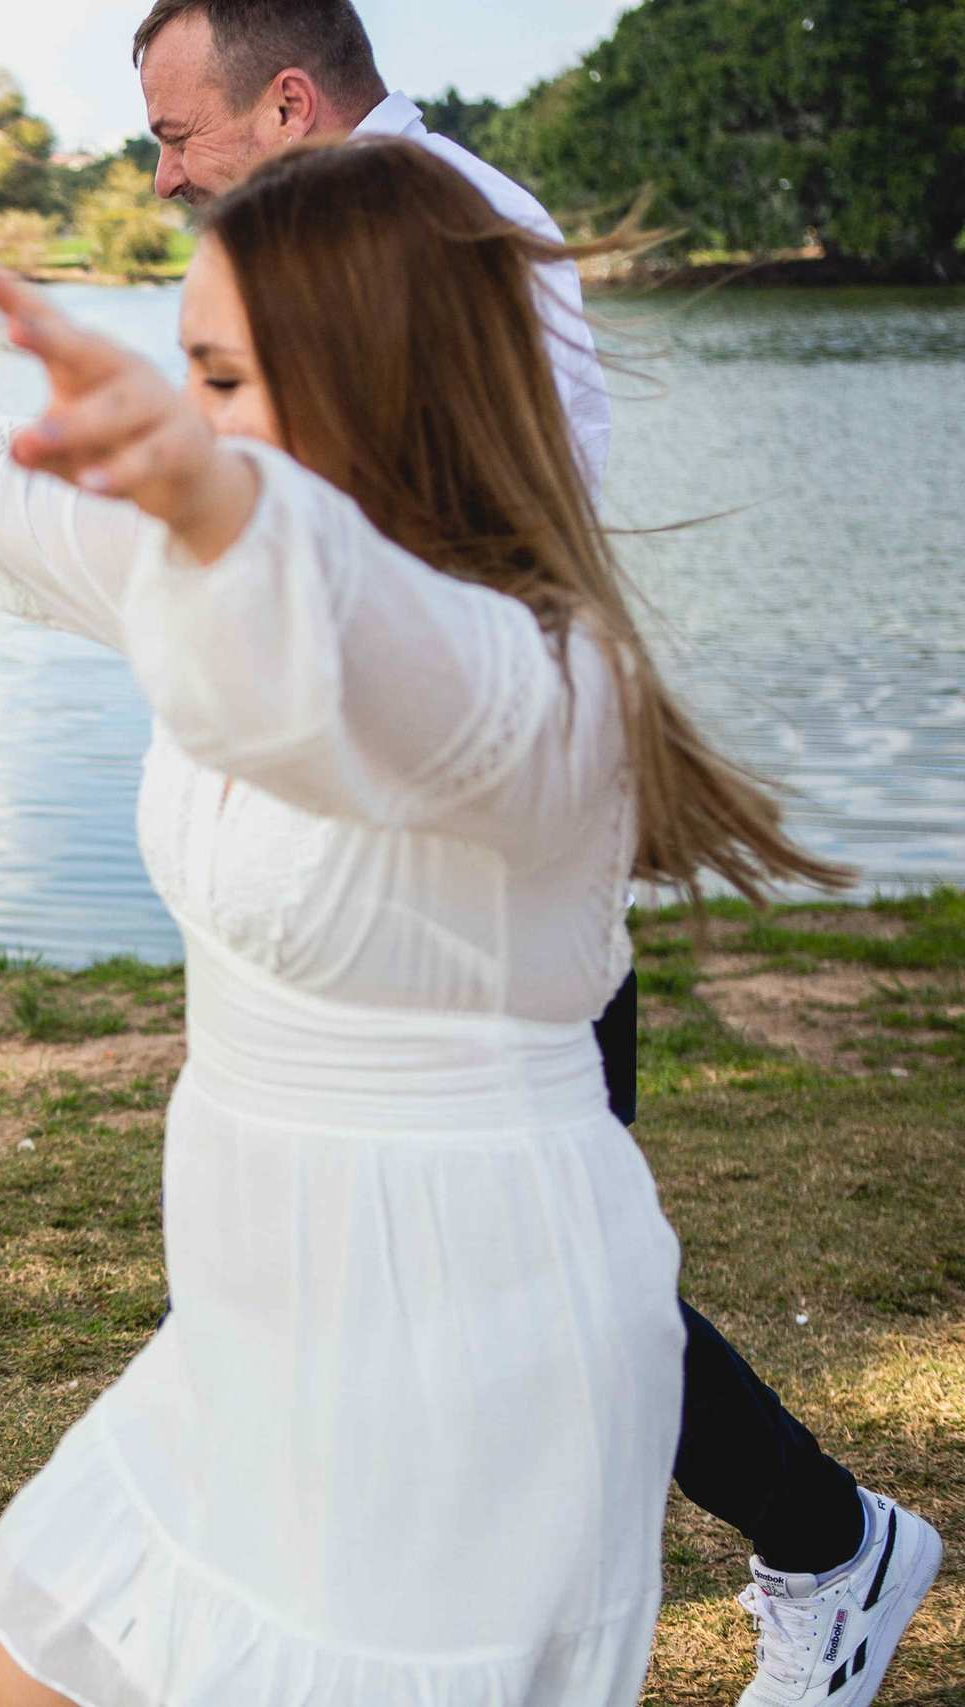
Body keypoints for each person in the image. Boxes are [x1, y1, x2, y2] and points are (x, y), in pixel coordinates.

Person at [0, 138, 873, 1706]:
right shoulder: (212, 551)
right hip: (259, 1311)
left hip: (467, 1348)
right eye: (181, 377)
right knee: (23, 1654)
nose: (191, 421)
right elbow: (12, 497)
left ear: (378, 381)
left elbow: (365, 651)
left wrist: (213, 495)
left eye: (222, 376)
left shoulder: (534, 674)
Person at [123, 6, 945, 1703]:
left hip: (475, 849)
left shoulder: (450, 234)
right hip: (396, 838)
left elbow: (481, 536)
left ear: (286, 103)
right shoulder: (355, 232)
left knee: (530, 1285)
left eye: (178, 133)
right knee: (494, 1284)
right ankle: (812, 1544)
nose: (163, 174)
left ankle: (825, 1546)